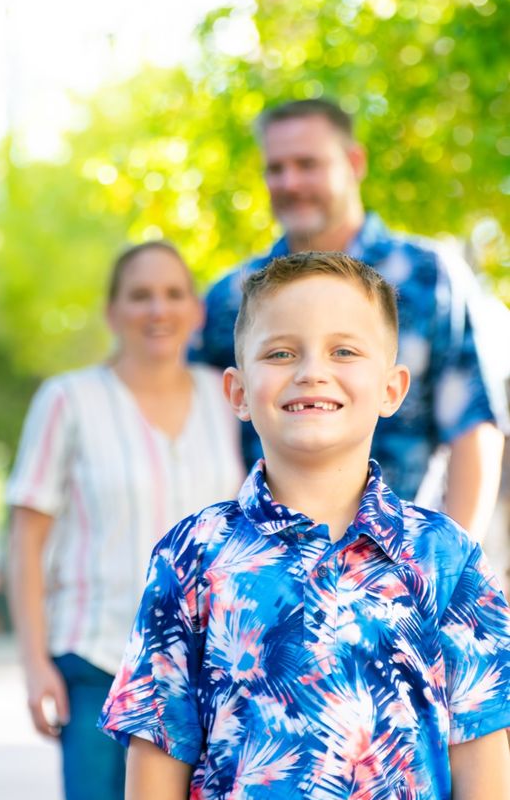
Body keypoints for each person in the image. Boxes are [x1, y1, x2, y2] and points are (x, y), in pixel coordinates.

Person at [99, 252, 510, 800]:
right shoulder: (193, 555)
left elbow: (481, 750)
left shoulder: (446, 560)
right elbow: (157, 748)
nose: (313, 372)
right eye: (281, 353)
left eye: (345, 352)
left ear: (393, 389)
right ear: (236, 391)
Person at [7, 241, 244, 800]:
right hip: (93, 653)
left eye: (173, 293)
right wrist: (35, 666)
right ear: (113, 311)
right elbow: (26, 538)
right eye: (139, 295)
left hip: (207, 659)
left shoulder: (228, 399)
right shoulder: (68, 400)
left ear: (197, 311)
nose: (157, 309)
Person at [192, 97, 508, 542]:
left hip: (402, 570)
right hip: (262, 572)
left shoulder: (426, 276)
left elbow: (474, 424)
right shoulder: (232, 295)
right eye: (276, 168)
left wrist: (452, 568)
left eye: (308, 164)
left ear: (354, 162)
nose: (290, 182)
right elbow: (192, 427)